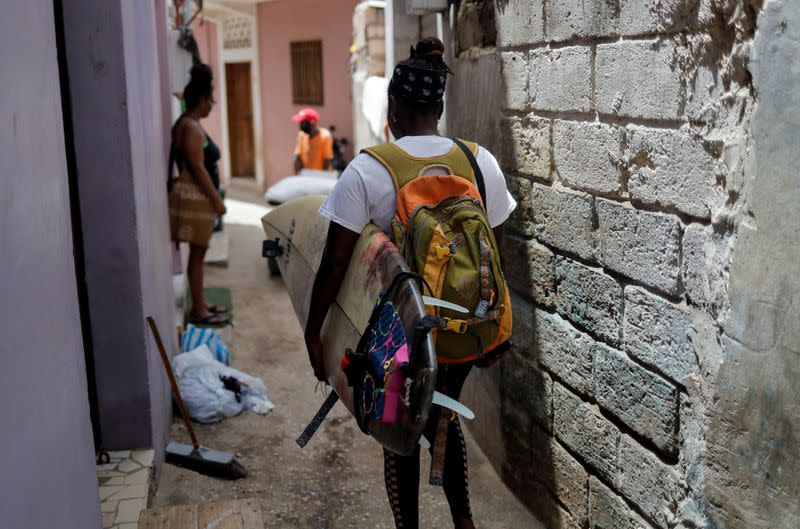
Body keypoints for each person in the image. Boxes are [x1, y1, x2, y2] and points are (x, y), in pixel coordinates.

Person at [304, 38, 516, 529]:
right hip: (467, 334)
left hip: (404, 339)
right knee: (441, 414)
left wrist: (315, 334)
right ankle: (464, 523)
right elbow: (494, 259)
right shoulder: (480, 163)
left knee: (399, 433)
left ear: (393, 109)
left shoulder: (367, 171)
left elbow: (334, 266)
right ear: (439, 107)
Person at [168, 64, 228, 325]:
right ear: (201, 100)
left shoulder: (187, 121)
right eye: (211, 100)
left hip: (201, 199)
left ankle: (200, 303)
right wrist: (216, 200)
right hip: (199, 200)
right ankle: (199, 310)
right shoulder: (191, 128)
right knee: (198, 254)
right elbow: (198, 168)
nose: (212, 105)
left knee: (198, 254)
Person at [292, 108, 334, 173]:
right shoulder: (301, 135)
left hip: (320, 177)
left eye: (303, 123)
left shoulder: (325, 136)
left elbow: (327, 161)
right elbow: (297, 157)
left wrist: (322, 178)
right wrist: (298, 175)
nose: (300, 125)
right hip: (305, 176)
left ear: (312, 123)